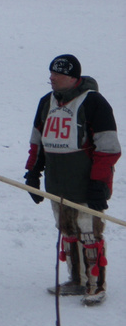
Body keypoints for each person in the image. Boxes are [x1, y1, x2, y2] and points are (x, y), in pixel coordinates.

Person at [24, 54, 120, 306]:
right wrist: (33, 174)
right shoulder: (47, 102)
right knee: (67, 230)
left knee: (90, 233)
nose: (51, 78)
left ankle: (95, 284)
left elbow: (108, 147)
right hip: (58, 183)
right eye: (51, 73)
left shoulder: (94, 103)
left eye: (57, 74)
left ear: (73, 78)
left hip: (87, 183)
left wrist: (98, 184)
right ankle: (76, 279)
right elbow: (37, 142)